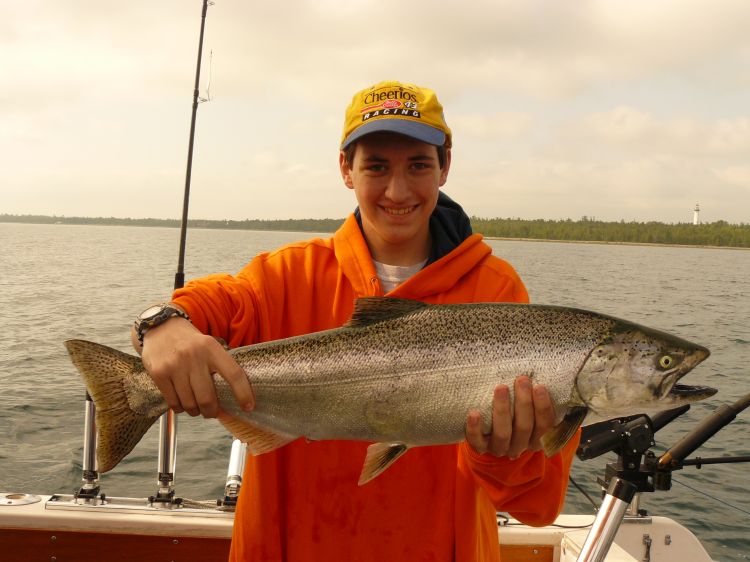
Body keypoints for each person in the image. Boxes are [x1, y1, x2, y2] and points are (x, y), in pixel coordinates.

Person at [132, 80, 579, 562]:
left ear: (445, 166)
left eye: (418, 165)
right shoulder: (287, 273)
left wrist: (503, 452)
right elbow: (217, 302)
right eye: (377, 166)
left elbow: (535, 507)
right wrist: (165, 321)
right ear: (346, 169)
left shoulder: (496, 289)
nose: (397, 190)